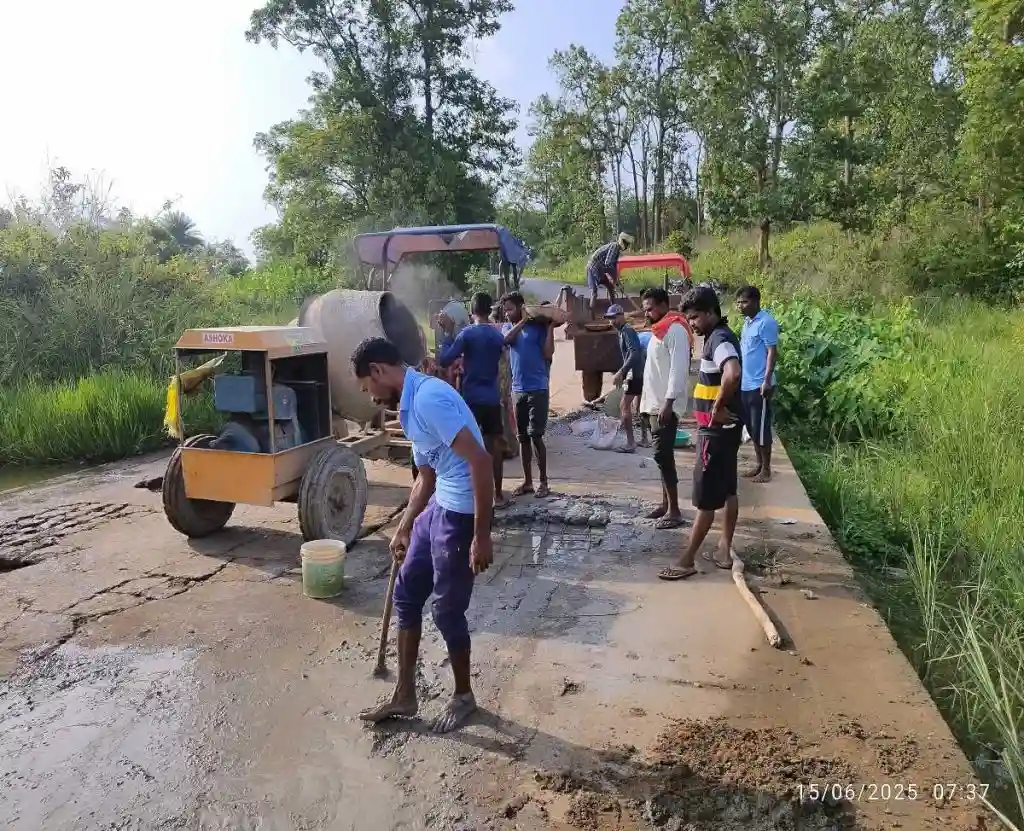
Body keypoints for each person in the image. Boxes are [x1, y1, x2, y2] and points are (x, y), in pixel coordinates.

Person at [353, 337, 495, 733]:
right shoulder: (407, 406)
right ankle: (404, 694)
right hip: (438, 503)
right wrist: (404, 525)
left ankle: (464, 697)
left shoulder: (430, 398)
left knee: (446, 610)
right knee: (407, 592)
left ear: (378, 371)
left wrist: (481, 535)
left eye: (367, 387)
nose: (370, 397)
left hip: (461, 510)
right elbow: (426, 477)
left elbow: (481, 461)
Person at [659, 286, 743, 581]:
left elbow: (732, 373)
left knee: (705, 498)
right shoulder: (720, 336)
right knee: (728, 488)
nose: (691, 324)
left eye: (695, 317)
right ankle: (724, 549)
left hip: (715, 432)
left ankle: (687, 560)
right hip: (726, 430)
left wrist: (717, 408)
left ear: (711, 312)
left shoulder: (718, 339)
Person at [438, 292, 510, 508]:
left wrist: (447, 334)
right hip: (492, 399)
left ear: (472, 310)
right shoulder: (497, 336)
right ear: (489, 310)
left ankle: (470, 496)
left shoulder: (467, 335)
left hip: (470, 401)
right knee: (493, 446)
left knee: (467, 447)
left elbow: (445, 360)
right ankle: (498, 494)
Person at [639, 287, 694, 529]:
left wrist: (669, 402)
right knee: (661, 457)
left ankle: (674, 511)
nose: (647, 313)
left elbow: (678, 370)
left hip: (665, 405)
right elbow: (653, 371)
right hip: (654, 404)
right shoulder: (658, 331)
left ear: (664, 305)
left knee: (663, 455)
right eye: (645, 309)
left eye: (650, 308)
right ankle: (665, 505)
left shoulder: (675, 330)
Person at [501, 292, 555, 499]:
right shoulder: (509, 328)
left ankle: (543, 481)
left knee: (536, 436)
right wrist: (522, 321)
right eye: (505, 310)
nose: (507, 313)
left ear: (521, 307)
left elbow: (548, 353)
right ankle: (527, 481)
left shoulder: (538, 328)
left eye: (510, 309)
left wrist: (549, 328)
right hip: (518, 390)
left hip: (538, 388)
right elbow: (506, 340)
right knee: (522, 437)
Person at [735, 285, 778, 483]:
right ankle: (759, 465)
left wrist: (766, 380)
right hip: (746, 383)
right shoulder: (747, 322)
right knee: (752, 428)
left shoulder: (766, 322)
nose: (740, 306)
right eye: (738, 302)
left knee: (761, 427)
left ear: (756, 301)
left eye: (744, 302)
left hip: (760, 384)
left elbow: (772, 352)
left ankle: (766, 470)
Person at [605, 304, 645, 453]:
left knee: (624, 406)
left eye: (614, 318)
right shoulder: (623, 331)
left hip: (635, 373)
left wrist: (622, 372)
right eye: (609, 318)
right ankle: (644, 439)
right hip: (638, 372)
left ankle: (630, 443)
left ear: (622, 316)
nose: (611, 321)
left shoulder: (627, 331)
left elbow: (634, 353)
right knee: (639, 406)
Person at [585, 233, 634, 313]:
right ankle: (591, 312)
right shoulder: (614, 246)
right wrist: (613, 278)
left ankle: (613, 309)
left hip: (601, 269)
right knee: (594, 292)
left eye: (627, 244)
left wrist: (617, 280)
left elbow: (613, 266)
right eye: (626, 243)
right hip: (593, 268)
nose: (626, 246)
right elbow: (608, 263)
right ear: (622, 241)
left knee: (611, 288)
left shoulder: (617, 250)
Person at [637, 330, 653, 447]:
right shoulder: (644, 337)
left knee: (642, 407)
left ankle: (645, 439)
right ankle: (654, 437)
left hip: (648, 373)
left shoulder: (634, 344)